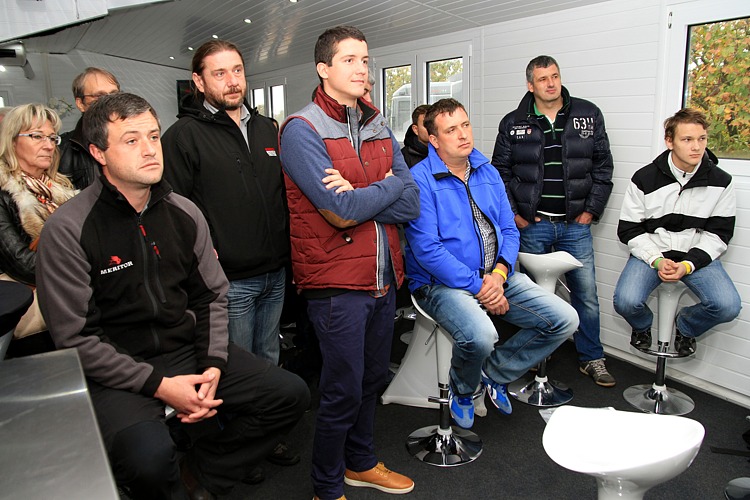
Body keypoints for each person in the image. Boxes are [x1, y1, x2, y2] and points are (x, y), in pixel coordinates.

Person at [36, 92, 310, 500]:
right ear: (98, 153)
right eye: (131, 140)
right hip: (118, 366)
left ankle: (201, 473)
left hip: (185, 348)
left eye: (153, 135)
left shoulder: (184, 212)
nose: (150, 149)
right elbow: (75, 338)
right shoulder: (68, 229)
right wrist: (160, 385)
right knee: (147, 459)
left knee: (290, 395)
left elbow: (212, 296)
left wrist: (213, 363)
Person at [280, 25, 419, 500]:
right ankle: (326, 485)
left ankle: (359, 463)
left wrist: (364, 194)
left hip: (383, 276)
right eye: (349, 60)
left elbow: (412, 203)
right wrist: (388, 186)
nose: (362, 69)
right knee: (342, 389)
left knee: (373, 379)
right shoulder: (301, 129)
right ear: (323, 69)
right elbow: (338, 212)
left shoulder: (378, 124)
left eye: (365, 59)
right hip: (337, 282)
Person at [404, 98, 578, 429]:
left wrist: (499, 274)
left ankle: (493, 373)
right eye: (451, 130)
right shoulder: (419, 180)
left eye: (465, 125)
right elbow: (427, 251)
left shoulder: (488, 171)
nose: (463, 135)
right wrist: (480, 286)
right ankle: (463, 389)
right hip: (440, 284)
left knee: (565, 320)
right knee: (483, 336)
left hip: (495, 276)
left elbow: (509, 230)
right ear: (434, 140)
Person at [491, 55, 615, 387]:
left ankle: (592, 358)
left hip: (576, 225)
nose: (551, 83)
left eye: (555, 76)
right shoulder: (513, 122)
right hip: (533, 225)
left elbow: (603, 167)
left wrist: (591, 211)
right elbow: (499, 174)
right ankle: (534, 357)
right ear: (530, 85)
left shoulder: (587, 114)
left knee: (585, 294)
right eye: (543, 79)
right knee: (532, 297)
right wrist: (515, 216)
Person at [614, 108, 740, 356]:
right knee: (625, 302)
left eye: (702, 139)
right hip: (653, 252)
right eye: (687, 139)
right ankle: (642, 326)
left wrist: (688, 265)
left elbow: (719, 234)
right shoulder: (644, 178)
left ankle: (686, 326)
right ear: (669, 141)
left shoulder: (721, 181)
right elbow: (629, 229)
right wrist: (657, 260)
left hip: (695, 254)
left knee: (728, 306)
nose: (697, 147)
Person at [0, 104, 77, 354]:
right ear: (12, 140)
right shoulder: (4, 192)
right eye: (37, 136)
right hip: (36, 320)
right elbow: (21, 263)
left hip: (75, 303)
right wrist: (81, 268)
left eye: (52, 138)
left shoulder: (59, 189)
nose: (49, 145)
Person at [58, 67, 121, 189]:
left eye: (114, 95)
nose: (110, 102)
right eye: (99, 96)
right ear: (80, 104)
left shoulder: (138, 142)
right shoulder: (61, 151)